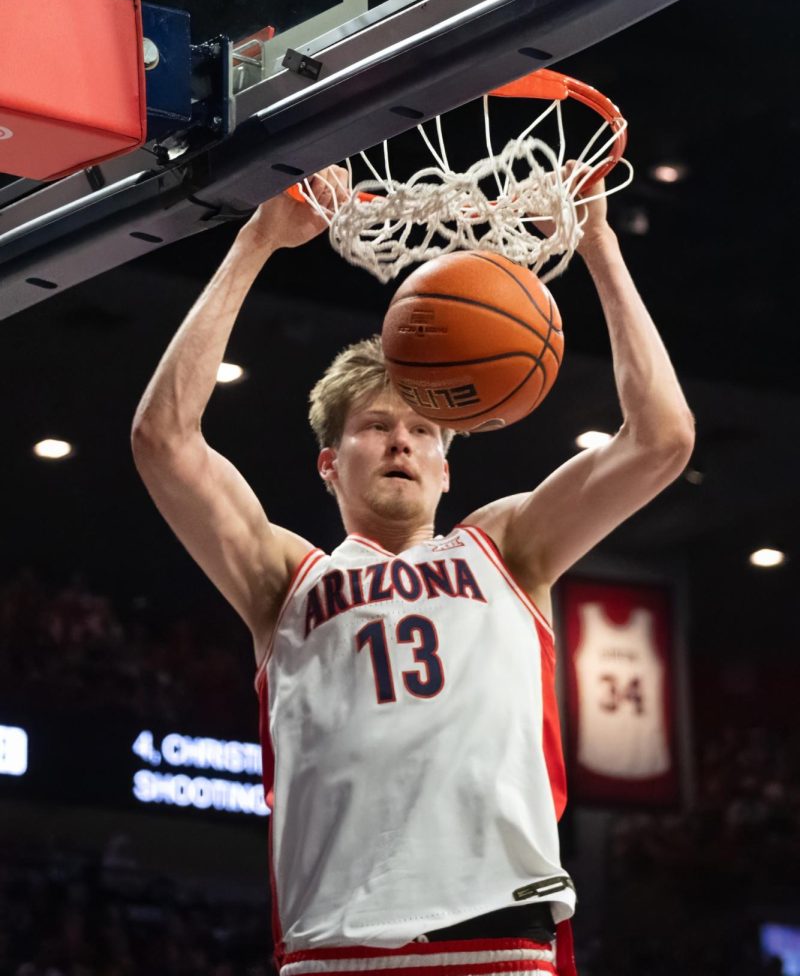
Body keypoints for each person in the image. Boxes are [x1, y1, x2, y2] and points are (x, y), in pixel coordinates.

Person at [131, 165, 695, 976]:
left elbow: (662, 441)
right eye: (375, 426)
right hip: (338, 949)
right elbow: (163, 442)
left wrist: (598, 246)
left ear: (447, 468)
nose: (401, 440)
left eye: (423, 430)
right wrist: (256, 242)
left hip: (501, 937)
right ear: (330, 463)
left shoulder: (505, 547)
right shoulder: (282, 578)